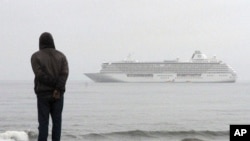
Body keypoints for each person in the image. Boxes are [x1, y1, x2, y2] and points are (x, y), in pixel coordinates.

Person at [31, 32, 69, 141]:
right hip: (58, 95)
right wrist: (58, 88)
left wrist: (54, 84)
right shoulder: (61, 56)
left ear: (40, 43)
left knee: (43, 124)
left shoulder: (35, 56)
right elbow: (64, 74)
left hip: (43, 94)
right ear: (52, 41)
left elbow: (40, 75)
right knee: (57, 124)